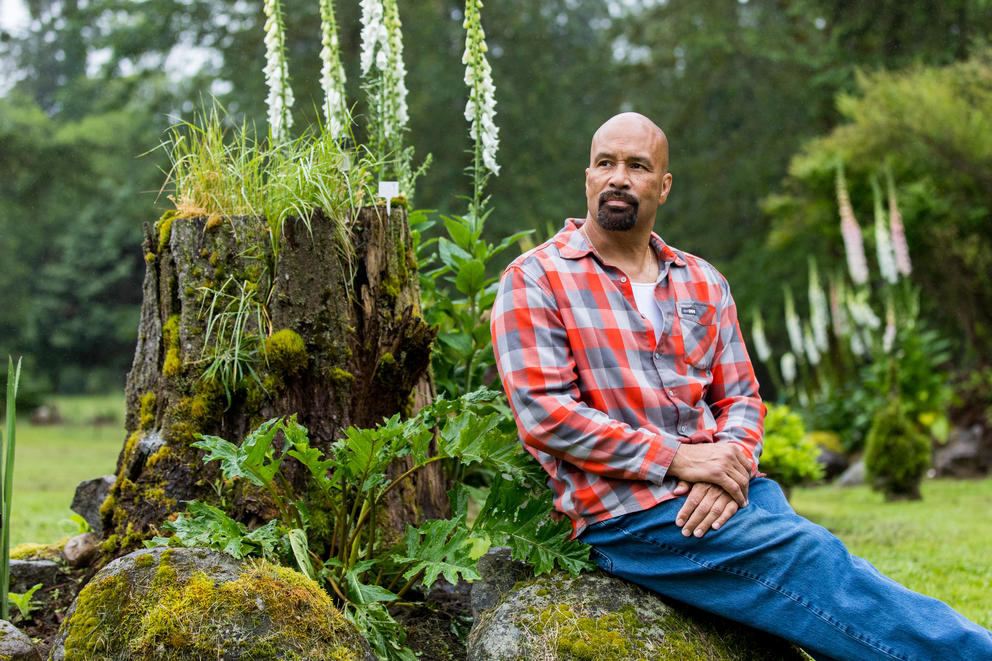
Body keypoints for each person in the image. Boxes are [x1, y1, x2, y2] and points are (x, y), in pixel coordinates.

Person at [490, 112, 992, 661]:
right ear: (587, 175)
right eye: (605, 163)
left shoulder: (702, 280)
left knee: (829, 596)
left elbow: (742, 398)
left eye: (637, 166)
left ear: (664, 185)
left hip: (728, 488)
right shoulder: (535, 278)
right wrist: (679, 461)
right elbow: (545, 414)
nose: (618, 177)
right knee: (812, 561)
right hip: (626, 514)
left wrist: (726, 464)